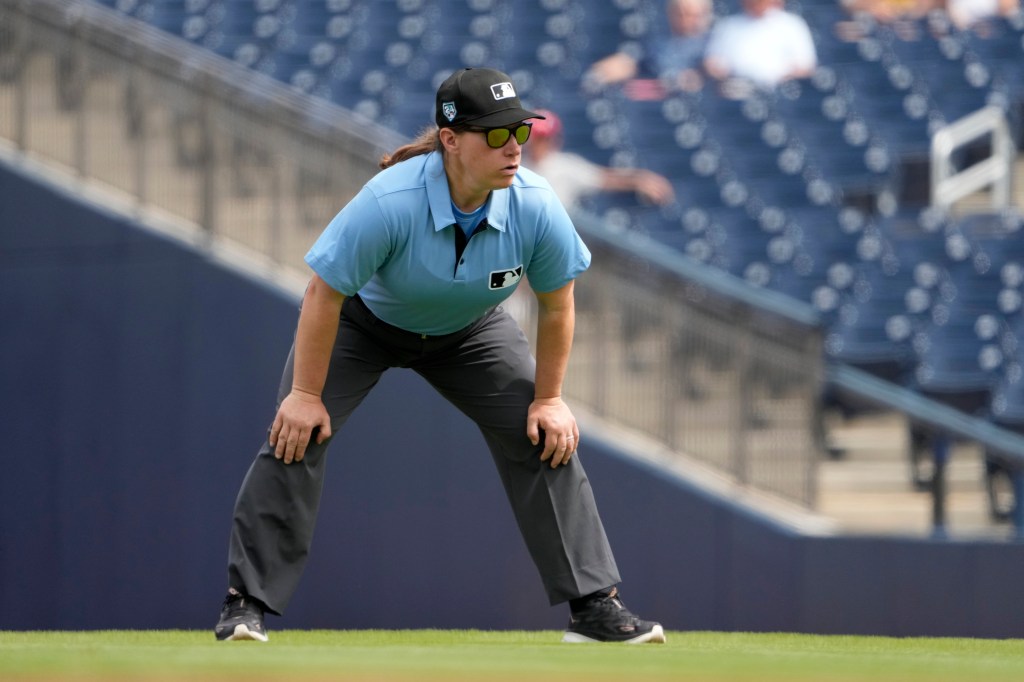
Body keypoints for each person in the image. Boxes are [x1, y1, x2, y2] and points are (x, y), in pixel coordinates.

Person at [213, 67, 666, 645]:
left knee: (546, 437)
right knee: (296, 433)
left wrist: (550, 399)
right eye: (496, 135)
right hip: (364, 324)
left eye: (520, 133)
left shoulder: (535, 203)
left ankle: (594, 607)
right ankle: (244, 604)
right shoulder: (391, 200)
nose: (514, 148)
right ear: (451, 140)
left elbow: (558, 305)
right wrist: (304, 395)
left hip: (470, 332)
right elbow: (323, 293)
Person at [523, 109, 675, 211]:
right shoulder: (514, 163)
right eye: (534, 136)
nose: (537, 142)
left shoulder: (564, 166)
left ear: (553, 139)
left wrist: (640, 179)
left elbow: (604, 178)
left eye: (543, 138)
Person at [586, 0, 713, 93]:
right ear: (670, 13)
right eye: (681, 13)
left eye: (694, 15)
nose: (686, 19)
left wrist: (700, 75)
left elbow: (717, 71)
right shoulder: (657, 44)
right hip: (656, 101)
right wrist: (600, 74)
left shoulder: (715, 44)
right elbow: (631, 62)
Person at [703, 0, 817, 90]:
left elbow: (806, 66)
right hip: (736, 92)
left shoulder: (791, 25)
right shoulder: (727, 26)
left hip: (782, 92)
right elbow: (711, 63)